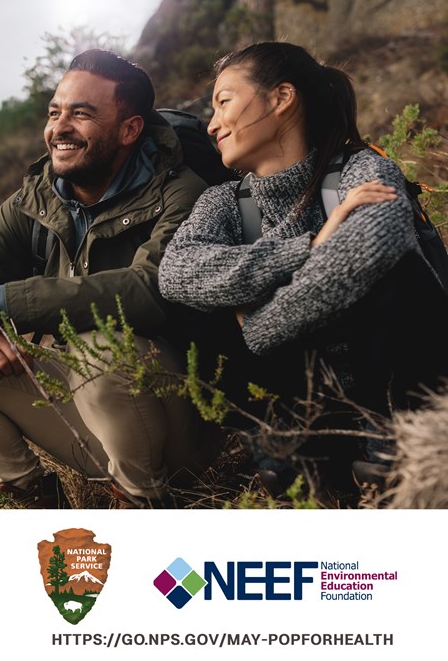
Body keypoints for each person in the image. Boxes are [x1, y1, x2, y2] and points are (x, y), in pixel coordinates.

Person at [0, 50, 212, 508]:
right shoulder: (38, 198)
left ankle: (141, 502)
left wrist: (11, 300)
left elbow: (152, 290)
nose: (59, 127)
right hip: (86, 417)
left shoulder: (180, 192)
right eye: (55, 112)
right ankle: (36, 498)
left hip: (176, 427)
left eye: (82, 114)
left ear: (129, 129)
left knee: (103, 348)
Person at [157, 42, 448, 490]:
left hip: (396, 391)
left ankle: (391, 448)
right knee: (191, 306)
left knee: (389, 269)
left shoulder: (362, 169)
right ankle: (286, 454)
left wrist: (255, 324)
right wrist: (311, 244)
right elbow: (175, 272)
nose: (212, 124)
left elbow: (370, 248)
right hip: (304, 402)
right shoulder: (222, 204)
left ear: (281, 97)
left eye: (224, 102)